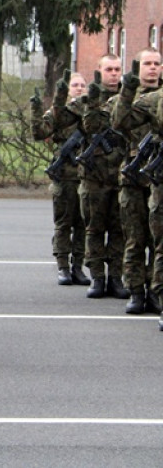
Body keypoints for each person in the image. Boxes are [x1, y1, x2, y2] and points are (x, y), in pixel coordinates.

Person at [110, 49, 162, 313]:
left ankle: (156, 291)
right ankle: (136, 291)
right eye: (147, 64)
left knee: (158, 243)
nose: (152, 68)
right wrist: (127, 90)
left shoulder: (160, 98)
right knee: (134, 238)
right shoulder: (137, 98)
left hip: (156, 179)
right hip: (133, 176)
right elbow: (118, 122)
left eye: (156, 64)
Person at [30, 70, 90, 285]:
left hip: (87, 176)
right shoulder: (58, 113)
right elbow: (39, 133)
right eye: (75, 85)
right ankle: (63, 267)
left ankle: (78, 267)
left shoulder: (92, 112)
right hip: (64, 175)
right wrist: (36, 110)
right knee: (64, 224)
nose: (80, 89)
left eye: (83, 85)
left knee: (83, 225)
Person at [81, 55, 128, 300]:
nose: (113, 74)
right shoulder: (87, 100)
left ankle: (116, 278)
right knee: (94, 229)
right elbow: (86, 127)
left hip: (121, 176)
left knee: (119, 230)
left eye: (117, 69)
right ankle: (98, 278)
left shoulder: (130, 99)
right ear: (99, 71)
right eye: (108, 69)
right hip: (94, 178)